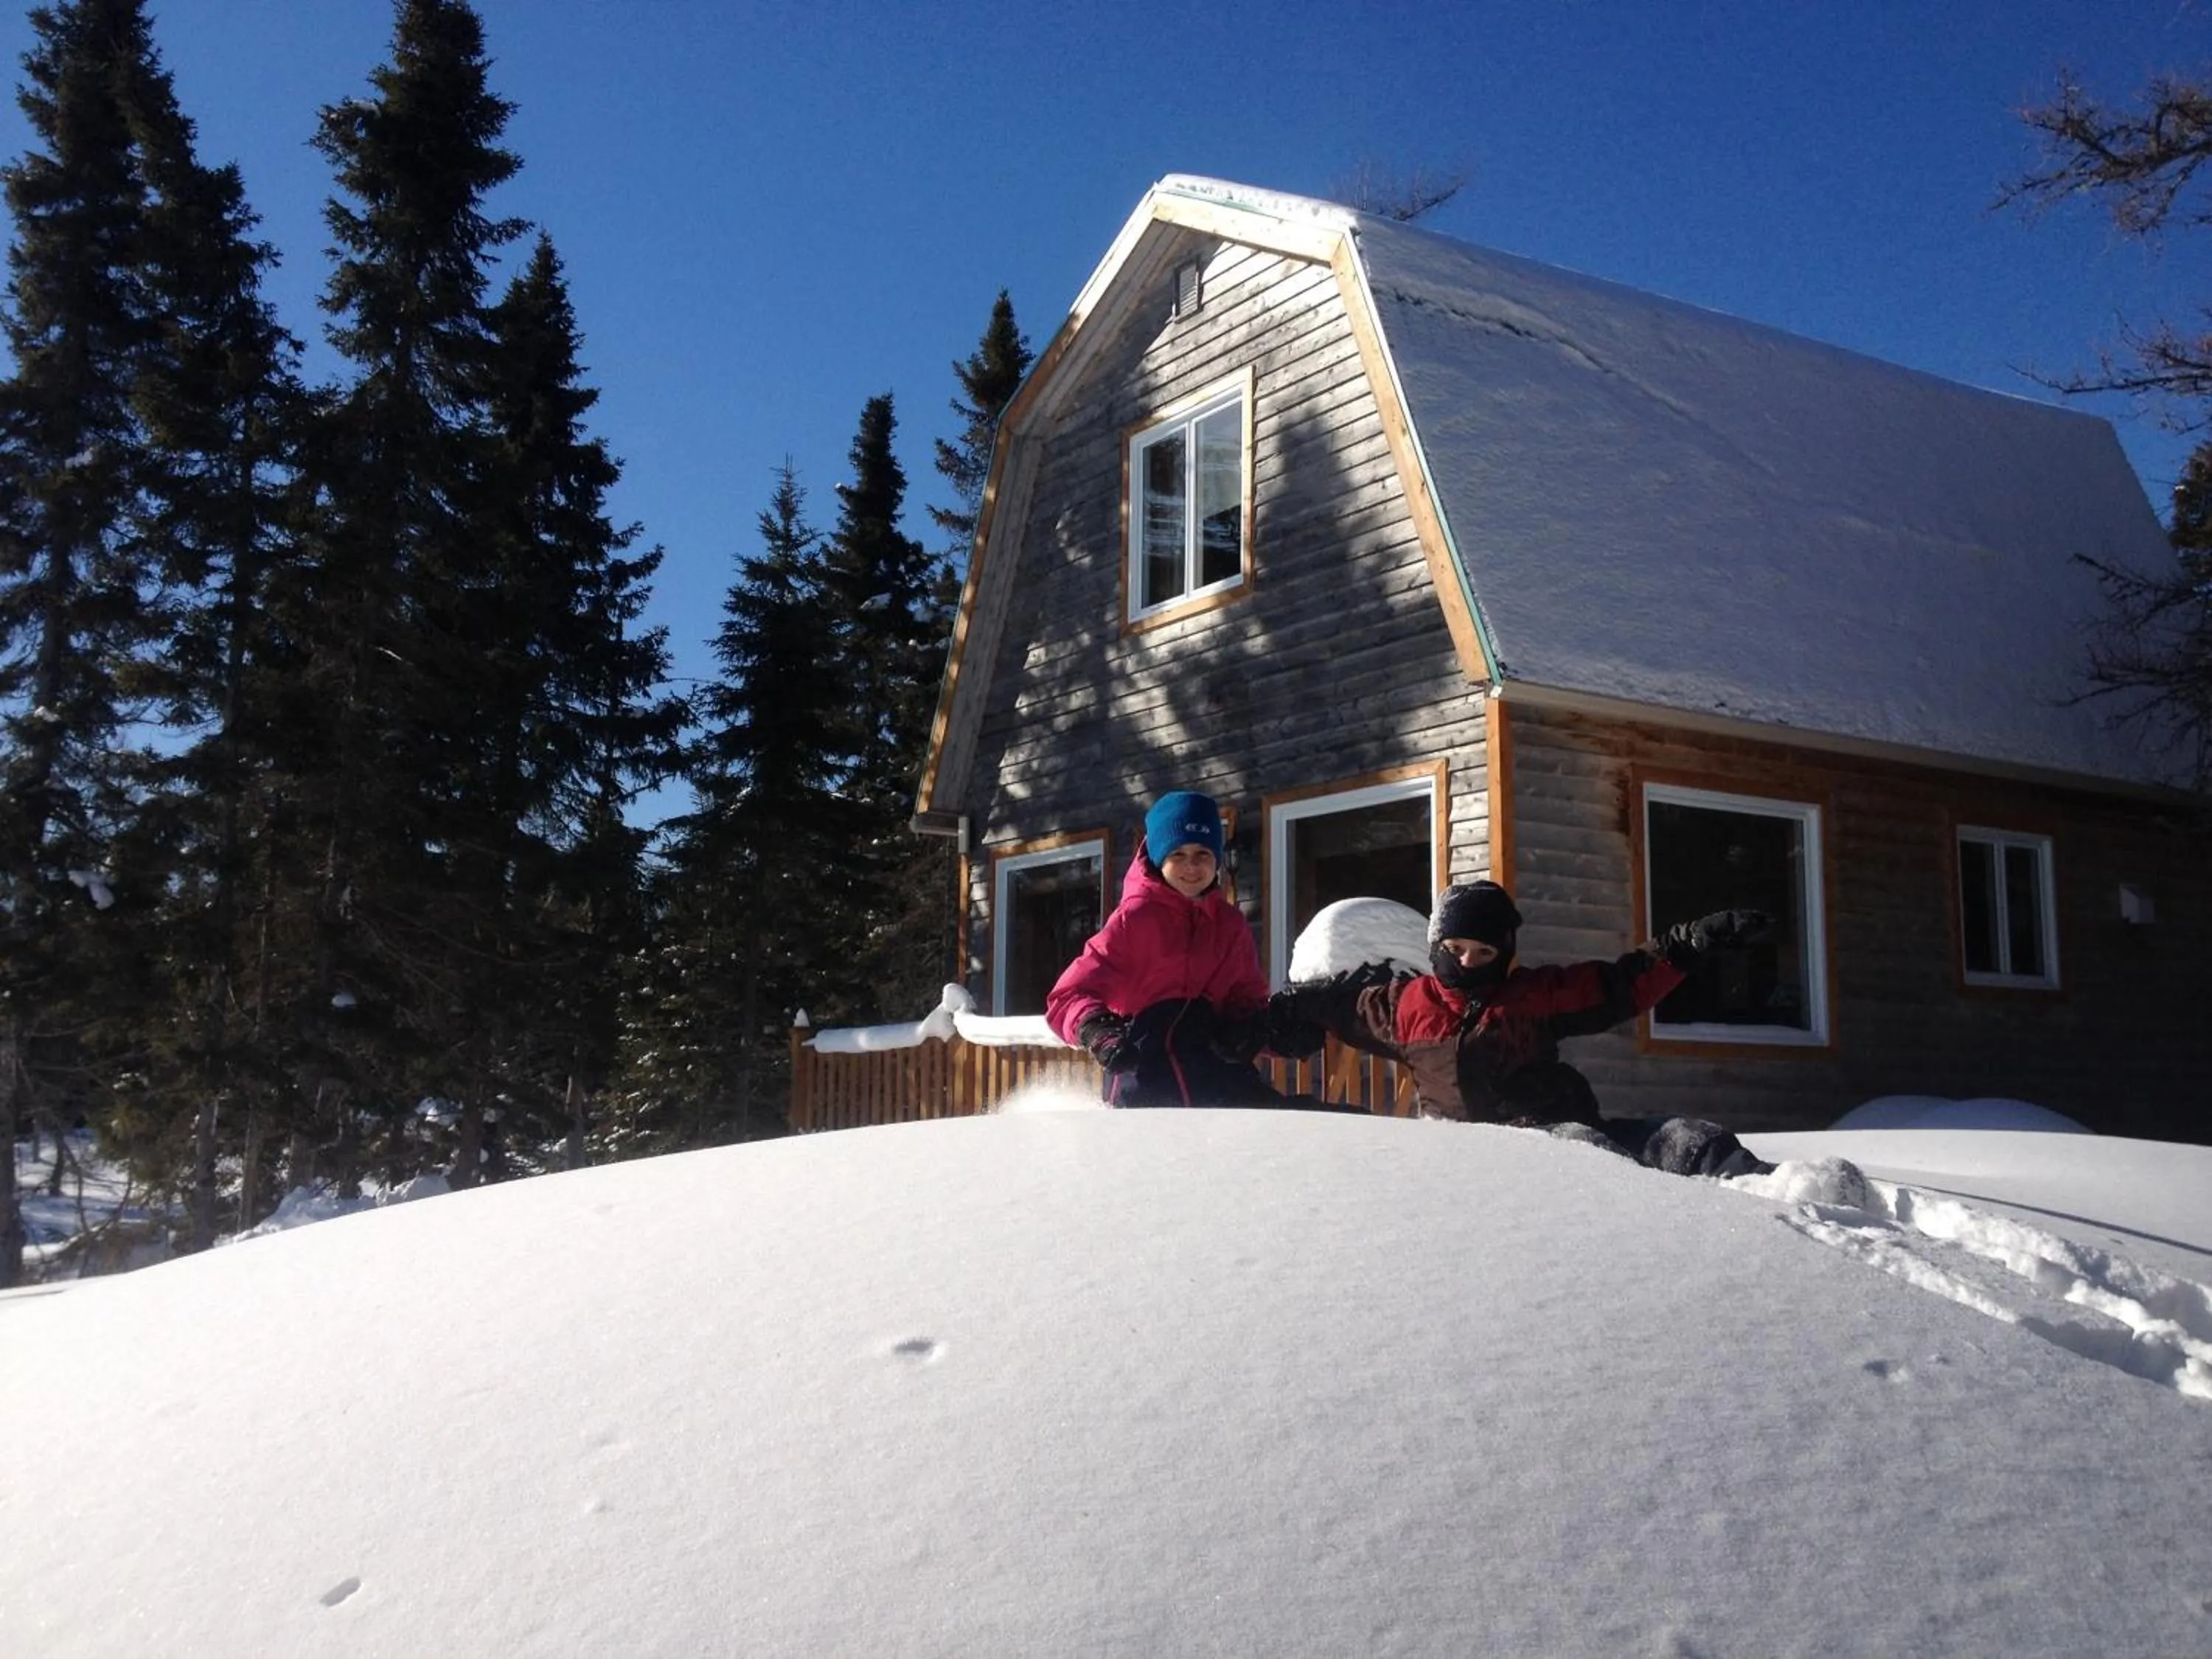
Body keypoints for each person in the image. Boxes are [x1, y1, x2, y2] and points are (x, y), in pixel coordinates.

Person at [1267, 879, 1778, 1178]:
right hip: (1479, 1158)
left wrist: (1689, 943)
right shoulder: (1403, 1006)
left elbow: (1624, 984)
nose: (1468, 962)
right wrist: (1284, 1013)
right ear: (1436, 947)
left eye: (1484, 952)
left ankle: (1779, 1192)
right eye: (1456, 949)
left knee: (1690, 1140)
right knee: (1588, 1156)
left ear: (1504, 955)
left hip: (1557, 1126)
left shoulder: (1537, 994)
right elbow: (1335, 1005)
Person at [1046, 790, 1287, 1108]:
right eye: (1178, 855)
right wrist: (1098, 1031)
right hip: (1145, 1078)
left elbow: (1246, 997)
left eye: (1203, 853)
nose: (1192, 866)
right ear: (1160, 858)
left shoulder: (1230, 925)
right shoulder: (1134, 920)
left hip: (1219, 1079)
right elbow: (1067, 997)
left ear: (1217, 858)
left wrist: (1262, 1030)